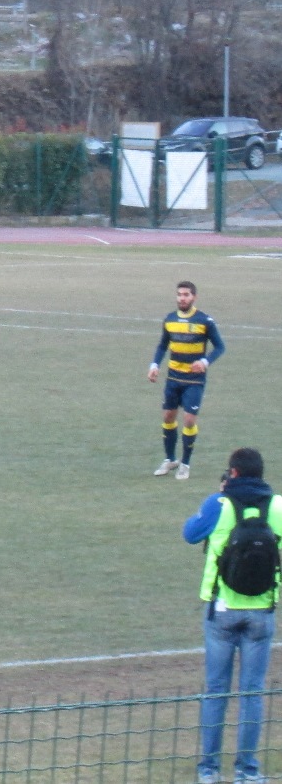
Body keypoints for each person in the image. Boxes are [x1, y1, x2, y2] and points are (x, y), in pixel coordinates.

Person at [183, 447, 282, 784]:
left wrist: (219, 495)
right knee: (252, 692)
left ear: (234, 473)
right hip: (262, 611)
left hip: (221, 611)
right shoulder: (278, 506)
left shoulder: (218, 504)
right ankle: (247, 770)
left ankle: (209, 769)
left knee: (216, 689)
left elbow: (190, 533)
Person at [150, 280, 226, 480]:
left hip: (194, 380)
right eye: (179, 294)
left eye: (186, 295)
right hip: (173, 378)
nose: (182, 298)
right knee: (168, 417)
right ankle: (170, 459)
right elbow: (162, 345)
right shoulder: (169, 319)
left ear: (194, 297)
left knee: (189, 420)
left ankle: (185, 464)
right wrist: (154, 365)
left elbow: (220, 347)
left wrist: (205, 361)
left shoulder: (205, 321)